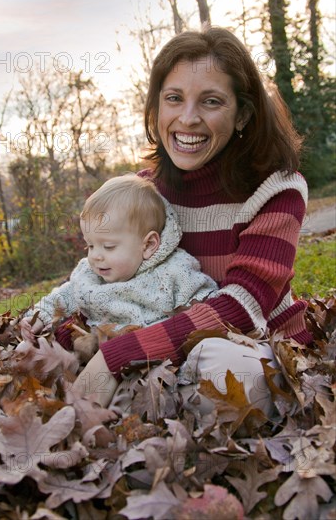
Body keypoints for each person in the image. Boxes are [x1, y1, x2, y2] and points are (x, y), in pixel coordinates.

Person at [72, 26, 313, 413]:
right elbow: (101, 276)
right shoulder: (145, 193)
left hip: (259, 349)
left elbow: (242, 309)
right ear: (157, 107)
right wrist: (78, 332)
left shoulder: (277, 190)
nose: (187, 118)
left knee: (224, 367)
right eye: (174, 98)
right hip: (165, 347)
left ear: (242, 114)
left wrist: (115, 356)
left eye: (211, 102)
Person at [21, 174, 219, 360]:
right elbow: (62, 297)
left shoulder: (175, 271)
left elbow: (207, 305)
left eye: (108, 246)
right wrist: (37, 318)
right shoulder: (90, 274)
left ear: (148, 245)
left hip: (156, 356)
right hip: (95, 354)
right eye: (90, 245)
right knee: (30, 353)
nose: (96, 256)